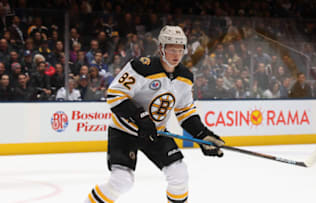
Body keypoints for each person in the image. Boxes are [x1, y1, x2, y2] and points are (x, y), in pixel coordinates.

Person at [85, 25, 225, 203]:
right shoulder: (142, 67)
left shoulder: (185, 77)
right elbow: (115, 95)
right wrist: (141, 118)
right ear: (161, 48)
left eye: (180, 49)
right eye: (171, 48)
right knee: (122, 182)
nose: (176, 54)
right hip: (124, 130)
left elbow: (185, 112)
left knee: (179, 175)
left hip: (155, 133)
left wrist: (203, 135)